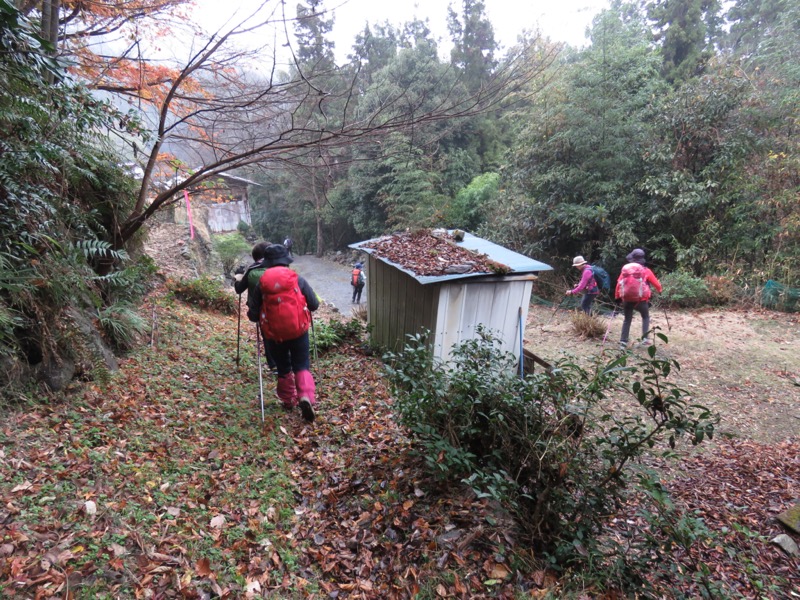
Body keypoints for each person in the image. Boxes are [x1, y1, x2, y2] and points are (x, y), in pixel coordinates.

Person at [249, 244, 320, 422]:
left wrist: (255, 315)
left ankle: (289, 400)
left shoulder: (261, 284)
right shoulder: (298, 280)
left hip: (274, 335)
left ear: (268, 263)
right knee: (301, 364)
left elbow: (253, 313)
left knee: (283, 367)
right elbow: (314, 305)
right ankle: (305, 396)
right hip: (298, 331)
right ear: (286, 261)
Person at [233, 242, 277, 373]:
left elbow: (239, 289)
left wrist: (237, 277)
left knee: (267, 335)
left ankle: (274, 365)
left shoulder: (252, 270)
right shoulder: (279, 267)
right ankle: (287, 362)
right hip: (282, 308)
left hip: (260, 312)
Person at [615, 248, 663, 351]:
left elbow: (619, 284)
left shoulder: (625, 271)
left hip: (627, 299)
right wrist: (660, 290)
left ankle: (623, 342)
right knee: (645, 317)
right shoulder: (646, 270)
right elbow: (657, 284)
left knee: (627, 319)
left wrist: (617, 298)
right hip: (641, 300)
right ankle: (645, 339)